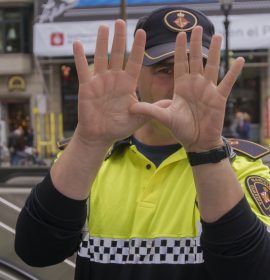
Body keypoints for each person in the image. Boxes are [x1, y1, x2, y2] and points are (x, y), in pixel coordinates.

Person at [15, 6, 270, 280]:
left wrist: (205, 149)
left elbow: (256, 270)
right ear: (135, 75)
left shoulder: (242, 168)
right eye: (165, 69)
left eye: (195, 70)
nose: (180, 85)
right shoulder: (91, 160)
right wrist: (90, 141)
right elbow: (36, 250)